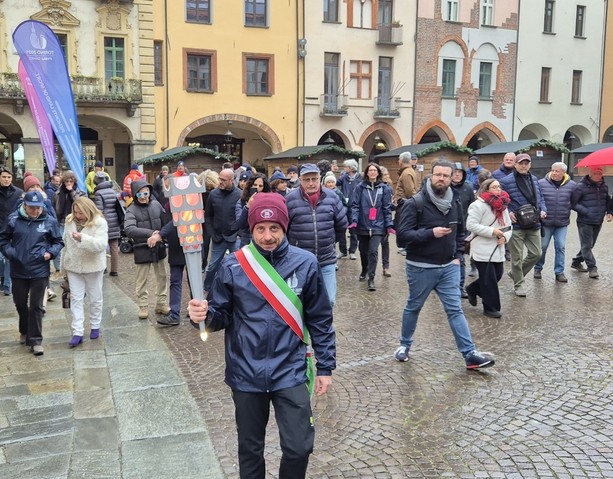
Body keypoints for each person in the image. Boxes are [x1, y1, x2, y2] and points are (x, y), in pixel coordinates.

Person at [188, 192, 336, 479]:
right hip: (246, 371)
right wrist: (202, 317)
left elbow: (320, 318)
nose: (268, 236)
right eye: (261, 229)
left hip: (290, 370)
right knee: (250, 448)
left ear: (284, 227)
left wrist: (326, 366)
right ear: (252, 229)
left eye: (274, 228)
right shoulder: (233, 266)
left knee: (299, 447)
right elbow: (220, 315)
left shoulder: (305, 263)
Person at [394, 158, 495, 369]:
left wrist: (458, 256)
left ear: (452, 178)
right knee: (414, 306)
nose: (441, 179)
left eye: (446, 175)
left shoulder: (454, 202)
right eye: (438, 174)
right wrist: (431, 233)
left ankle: (469, 355)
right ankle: (404, 345)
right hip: (421, 267)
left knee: (455, 310)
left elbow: (460, 232)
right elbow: (402, 237)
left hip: (448, 267)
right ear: (431, 176)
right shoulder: (415, 203)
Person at [0, 191, 63, 355]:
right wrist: (12, 253)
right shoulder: (14, 220)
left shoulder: (49, 221)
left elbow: (58, 241)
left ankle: (35, 340)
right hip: (18, 269)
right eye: (32, 208)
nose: (35, 211)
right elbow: (3, 239)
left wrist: (50, 253)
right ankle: (24, 330)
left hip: (39, 269)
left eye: (38, 208)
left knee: (36, 306)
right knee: (20, 303)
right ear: (24, 205)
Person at [286, 163, 347, 307]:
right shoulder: (290, 199)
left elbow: (342, 225)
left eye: (314, 179)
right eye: (307, 179)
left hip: (326, 259)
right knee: (301, 302)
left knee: (329, 300)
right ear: (300, 180)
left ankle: (323, 329)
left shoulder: (332, 197)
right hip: (300, 261)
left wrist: (331, 241)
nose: (311, 183)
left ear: (320, 178)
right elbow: (284, 229)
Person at [62, 197, 108, 346]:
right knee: (76, 298)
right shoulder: (70, 221)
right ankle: (77, 331)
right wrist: (64, 266)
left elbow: (100, 245)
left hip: (93, 266)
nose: (78, 215)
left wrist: (83, 238)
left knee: (95, 297)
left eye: (80, 213)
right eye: (75, 212)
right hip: (73, 265)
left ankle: (95, 325)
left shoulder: (100, 222)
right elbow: (66, 243)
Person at [500, 153, 547, 297]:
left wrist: (543, 209)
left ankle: (515, 274)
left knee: (537, 253)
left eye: (527, 163)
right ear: (515, 164)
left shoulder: (534, 179)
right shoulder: (506, 181)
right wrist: (508, 211)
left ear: (530, 165)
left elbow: (540, 197)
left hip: (534, 223)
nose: (524, 165)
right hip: (517, 225)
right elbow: (500, 200)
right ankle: (519, 284)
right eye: (521, 163)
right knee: (517, 257)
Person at [465, 179, 512, 318]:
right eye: (494, 187)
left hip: (498, 247)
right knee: (489, 279)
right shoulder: (477, 205)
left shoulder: (503, 206)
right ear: (486, 189)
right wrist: (492, 232)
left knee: (497, 275)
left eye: (499, 186)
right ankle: (491, 308)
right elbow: (471, 225)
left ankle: (472, 289)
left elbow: (509, 226)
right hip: (482, 247)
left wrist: (505, 237)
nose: (498, 189)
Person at [124, 179, 170, 319]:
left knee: (162, 276)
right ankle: (143, 305)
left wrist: (161, 235)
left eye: (146, 193)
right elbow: (129, 229)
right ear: (135, 195)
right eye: (140, 194)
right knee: (142, 278)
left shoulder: (156, 205)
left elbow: (166, 221)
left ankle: (161, 303)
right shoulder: (131, 209)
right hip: (142, 247)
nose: (144, 196)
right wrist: (151, 234)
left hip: (159, 246)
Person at [349, 163, 394, 291]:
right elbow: (355, 205)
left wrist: (389, 225)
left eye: (375, 170)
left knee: (373, 251)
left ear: (378, 173)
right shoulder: (360, 188)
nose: (373, 172)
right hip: (363, 225)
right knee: (363, 251)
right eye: (370, 170)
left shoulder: (384, 188)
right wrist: (354, 221)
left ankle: (371, 278)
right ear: (367, 173)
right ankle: (364, 269)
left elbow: (387, 208)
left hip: (378, 226)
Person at [534, 162, 576, 282]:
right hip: (546, 222)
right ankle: (538, 268)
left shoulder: (572, 185)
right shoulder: (541, 183)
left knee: (560, 246)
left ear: (564, 173)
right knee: (543, 246)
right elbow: (537, 200)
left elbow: (574, 201)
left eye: (557, 171)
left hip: (562, 223)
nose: (554, 173)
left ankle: (559, 272)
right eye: (553, 170)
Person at [202, 168, 241, 293]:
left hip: (234, 236)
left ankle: (237, 289)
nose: (220, 182)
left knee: (239, 265)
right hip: (218, 237)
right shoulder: (213, 194)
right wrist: (212, 233)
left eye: (223, 180)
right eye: (220, 179)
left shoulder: (239, 194)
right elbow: (208, 216)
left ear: (231, 180)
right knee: (212, 266)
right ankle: (207, 288)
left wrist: (238, 232)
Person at [570, 167, 613, 278]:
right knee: (587, 245)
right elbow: (573, 203)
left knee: (590, 245)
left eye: (600, 173)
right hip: (585, 221)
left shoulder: (604, 186)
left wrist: (609, 212)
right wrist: (586, 211)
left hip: (598, 220)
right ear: (590, 174)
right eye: (595, 173)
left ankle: (576, 262)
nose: (598, 175)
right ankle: (592, 268)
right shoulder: (580, 187)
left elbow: (607, 200)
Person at [52, 171, 85, 286]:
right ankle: (61, 270)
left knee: (74, 246)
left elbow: (80, 203)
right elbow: (54, 208)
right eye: (67, 181)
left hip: (75, 223)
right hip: (61, 222)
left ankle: (73, 270)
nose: (69, 183)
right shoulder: (57, 194)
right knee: (61, 246)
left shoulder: (79, 192)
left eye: (71, 181)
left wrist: (71, 191)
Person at [450, 162, 475, 293]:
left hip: (462, 230)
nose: (457, 174)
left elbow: (473, 208)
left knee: (460, 258)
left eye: (460, 172)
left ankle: (460, 287)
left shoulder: (468, 188)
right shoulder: (445, 188)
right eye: (455, 172)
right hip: (446, 229)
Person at [0, 167, 23, 296]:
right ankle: (3, 279)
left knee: (8, 257)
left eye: (8, 177)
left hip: (12, 230)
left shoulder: (18, 193)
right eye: (4, 177)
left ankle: (8, 285)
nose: (6, 179)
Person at [93, 171, 121, 276]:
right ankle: (114, 270)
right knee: (114, 247)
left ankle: (103, 267)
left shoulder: (98, 193)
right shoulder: (112, 191)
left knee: (102, 246)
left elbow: (99, 210)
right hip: (115, 220)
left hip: (105, 222)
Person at [235, 173, 270, 247]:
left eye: (260, 186)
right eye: (255, 185)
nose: (257, 188)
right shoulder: (242, 201)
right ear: (250, 185)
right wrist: (247, 207)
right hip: (247, 241)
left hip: (264, 239)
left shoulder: (269, 201)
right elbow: (240, 224)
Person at [336, 159, 361, 259]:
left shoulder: (360, 178)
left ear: (351, 168)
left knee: (354, 230)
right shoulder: (343, 177)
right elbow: (334, 183)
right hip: (344, 207)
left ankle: (352, 251)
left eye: (346, 166)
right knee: (342, 229)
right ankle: (343, 251)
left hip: (354, 207)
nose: (344, 168)